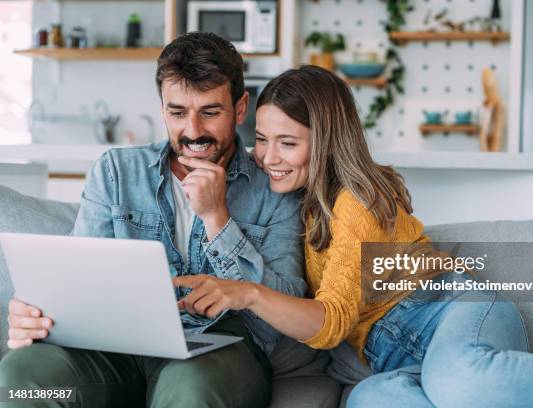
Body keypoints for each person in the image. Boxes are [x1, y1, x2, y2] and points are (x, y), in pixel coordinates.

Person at [175, 65, 533, 408]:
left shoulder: (358, 201)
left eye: (288, 144)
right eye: (263, 139)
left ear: (326, 142)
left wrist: (248, 294)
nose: (269, 157)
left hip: (448, 312)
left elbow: (330, 322)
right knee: (371, 400)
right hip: (394, 360)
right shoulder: (297, 202)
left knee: (462, 383)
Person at [0, 32, 306, 408]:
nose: (193, 131)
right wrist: (35, 313)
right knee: (22, 373)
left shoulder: (273, 184)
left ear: (240, 108)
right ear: (162, 109)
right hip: (117, 351)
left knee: (189, 386)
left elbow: (285, 311)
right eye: (177, 113)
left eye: (210, 112)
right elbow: (77, 284)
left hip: (221, 351)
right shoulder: (117, 171)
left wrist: (218, 219)